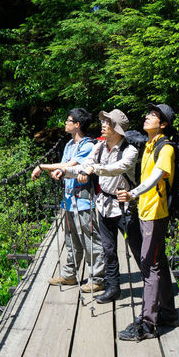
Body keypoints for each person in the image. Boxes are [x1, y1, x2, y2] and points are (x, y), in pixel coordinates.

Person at [63, 108, 141, 304]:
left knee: (138, 250)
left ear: (118, 129)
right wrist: (64, 172)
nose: (103, 125)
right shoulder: (99, 147)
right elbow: (83, 165)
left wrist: (92, 169)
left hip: (124, 206)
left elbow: (116, 169)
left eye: (108, 123)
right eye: (104, 122)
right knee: (108, 249)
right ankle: (112, 288)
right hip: (104, 205)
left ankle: (151, 289)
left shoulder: (129, 151)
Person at [117, 103, 178, 341]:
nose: (147, 116)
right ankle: (168, 313)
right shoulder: (150, 145)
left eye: (153, 115)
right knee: (158, 262)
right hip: (146, 212)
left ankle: (148, 323)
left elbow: (156, 178)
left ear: (163, 124)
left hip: (155, 214)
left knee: (148, 266)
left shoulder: (166, 148)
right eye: (148, 113)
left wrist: (133, 194)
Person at [32, 108, 106, 292]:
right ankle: (69, 275)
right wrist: (55, 172)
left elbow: (68, 166)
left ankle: (97, 278)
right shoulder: (68, 145)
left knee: (90, 239)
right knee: (70, 238)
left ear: (77, 125)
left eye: (68, 120)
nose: (65, 123)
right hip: (68, 199)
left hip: (83, 200)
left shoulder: (88, 146)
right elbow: (63, 169)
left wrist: (43, 166)